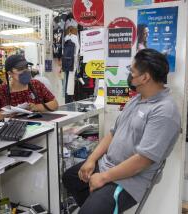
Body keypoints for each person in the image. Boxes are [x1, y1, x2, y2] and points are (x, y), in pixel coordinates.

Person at [62, 49, 181, 214]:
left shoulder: (165, 111)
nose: (130, 75)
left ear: (145, 77)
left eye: (132, 71)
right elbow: (113, 133)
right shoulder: (137, 99)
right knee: (70, 178)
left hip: (129, 180)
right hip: (107, 166)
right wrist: (91, 159)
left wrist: (103, 178)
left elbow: (143, 160)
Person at [0, 55, 58, 120]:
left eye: (26, 67)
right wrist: (6, 114)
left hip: (38, 127)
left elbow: (55, 104)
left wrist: (37, 107)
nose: (25, 71)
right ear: (10, 73)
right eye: (20, 69)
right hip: (13, 128)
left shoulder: (36, 85)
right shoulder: (1, 90)